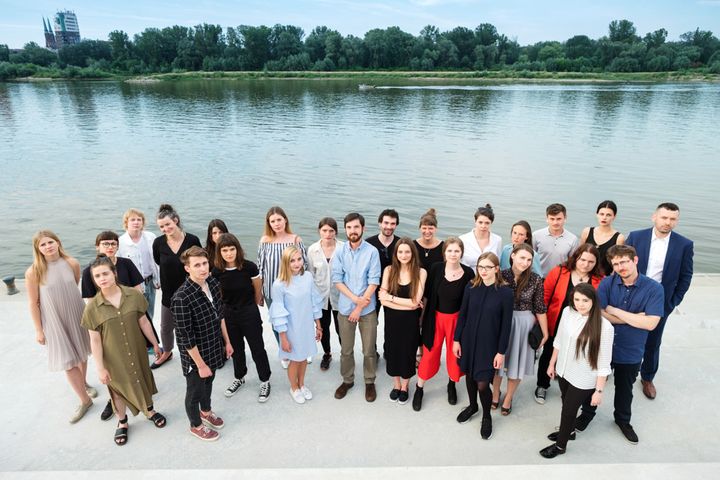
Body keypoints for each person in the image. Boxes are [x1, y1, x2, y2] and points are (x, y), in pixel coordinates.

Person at [575, 245, 663, 444]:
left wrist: (615, 311)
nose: (620, 267)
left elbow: (651, 323)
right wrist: (635, 318)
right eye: (616, 264)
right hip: (602, 346)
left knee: (625, 389)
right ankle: (587, 414)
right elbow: (598, 313)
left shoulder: (654, 289)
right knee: (593, 384)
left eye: (624, 262)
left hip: (631, 348)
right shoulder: (607, 283)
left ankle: (623, 420)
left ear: (635, 260)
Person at [81, 255, 166, 446]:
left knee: (142, 378)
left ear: (114, 273)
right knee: (117, 390)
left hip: (137, 349)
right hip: (113, 357)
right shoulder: (92, 308)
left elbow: (143, 322)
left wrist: (154, 343)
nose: (102, 278)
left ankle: (150, 410)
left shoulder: (134, 295)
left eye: (105, 273)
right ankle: (122, 421)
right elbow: (95, 340)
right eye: (97, 276)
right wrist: (100, 368)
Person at [25, 230, 96, 424]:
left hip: (76, 313)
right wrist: (39, 330)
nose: (48, 246)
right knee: (68, 361)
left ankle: (84, 383)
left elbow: (73, 285)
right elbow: (33, 303)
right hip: (53, 319)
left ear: (58, 242)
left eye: (50, 242)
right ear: (38, 249)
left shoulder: (72, 263)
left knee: (81, 352)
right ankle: (85, 400)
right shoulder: (33, 272)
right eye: (43, 244)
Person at [625, 202, 693, 400]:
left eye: (672, 219)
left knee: (653, 341)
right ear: (654, 217)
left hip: (660, 300)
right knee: (625, 333)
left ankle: (647, 378)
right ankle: (618, 368)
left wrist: (673, 302)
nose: (668, 222)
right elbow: (622, 264)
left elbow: (686, 276)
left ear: (677, 221)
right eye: (664, 217)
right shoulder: (636, 237)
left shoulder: (684, 244)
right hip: (633, 294)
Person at [539, 283, 613, 458]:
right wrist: (551, 364)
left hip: (583, 378)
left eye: (585, 300)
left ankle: (560, 446)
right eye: (577, 299)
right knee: (565, 402)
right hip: (564, 370)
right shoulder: (567, 312)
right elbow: (559, 340)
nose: (580, 304)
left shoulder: (605, 327)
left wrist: (599, 391)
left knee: (568, 411)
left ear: (593, 301)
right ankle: (570, 431)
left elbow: (603, 363)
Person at [81, 231, 145, 422]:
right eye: (105, 243)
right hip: (107, 322)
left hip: (130, 315)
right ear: (97, 247)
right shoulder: (89, 271)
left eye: (113, 243)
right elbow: (90, 300)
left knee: (135, 360)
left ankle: (142, 399)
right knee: (114, 367)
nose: (110, 247)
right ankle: (115, 402)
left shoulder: (126, 264)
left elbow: (138, 289)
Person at [172, 246, 233, 442]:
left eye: (205, 263)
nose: (202, 268)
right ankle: (196, 425)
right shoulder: (181, 298)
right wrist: (200, 365)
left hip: (213, 346)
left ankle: (206, 412)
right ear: (187, 268)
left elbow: (220, 315)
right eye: (197, 265)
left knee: (209, 383)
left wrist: (227, 342)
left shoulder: (213, 283)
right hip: (195, 356)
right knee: (195, 391)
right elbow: (186, 337)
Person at [452, 252, 513, 440]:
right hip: (468, 341)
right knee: (469, 376)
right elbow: (463, 315)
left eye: (488, 267)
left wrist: (501, 352)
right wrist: (456, 340)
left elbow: (506, 326)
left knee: (483, 384)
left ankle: (487, 417)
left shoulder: (505, 292)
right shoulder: (471, 287)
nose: (483, 271)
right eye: (480, 267)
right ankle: (473, 406)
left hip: (489, 345)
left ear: (496, 269)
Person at [535, 243, 603, 405]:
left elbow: (599, 304)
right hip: (556, 321)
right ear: (576, 257)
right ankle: (542, 385)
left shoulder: (599, 280)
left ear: (596, 263)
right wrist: (540, 322)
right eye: (583, 260)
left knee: (574, 356)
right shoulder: (559, 272)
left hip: (583, 327)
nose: (586, 264)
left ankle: (566, 385)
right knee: (549, 353)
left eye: (591, 262)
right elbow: (544, 297)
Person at [414, 237, 474, 411]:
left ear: (461, 253)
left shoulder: (468, 273)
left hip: (457, 320)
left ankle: (451, 384)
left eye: (457, 251)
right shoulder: (436, 268)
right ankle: (419, 388)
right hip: (435, 318)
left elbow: (470, 302)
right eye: (450, 250)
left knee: (454, 356)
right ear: (444, 252)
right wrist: (421, 318)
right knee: (429, 354)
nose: (453, 254)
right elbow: (427, 296)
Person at [212, 233, 272, 403]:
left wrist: (252, 305)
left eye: (232, 249)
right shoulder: (216, 271)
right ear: (219, 252)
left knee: (257, 348)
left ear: (237, 249)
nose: (229, 253)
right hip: (229, 314)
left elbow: (257, 288)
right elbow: (219, 295)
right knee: (236, 349)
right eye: (225, 250)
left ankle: (265, 380)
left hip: (248, 312)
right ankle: (239, 377)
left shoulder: (249, 267)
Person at [492, 243, 548, 415]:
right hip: (501, 322)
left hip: (524, 325)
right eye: (522, 258)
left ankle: (508, 398)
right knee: (497, 363)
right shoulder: (500, 275)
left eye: (529, 260)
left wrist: (545, 333)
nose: (525, 262)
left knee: (518, 364)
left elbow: (540, 307)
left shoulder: (536, 279)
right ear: (513, 255)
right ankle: (495, 394)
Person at [331, 212, 382, 402]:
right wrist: (355, 301)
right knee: (346, 350)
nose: (353, 231)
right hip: (345, 309)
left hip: (367, 310)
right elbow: (337, 280)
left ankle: (369, 381)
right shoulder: (339, 252)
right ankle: (348, 380)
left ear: (363, 228)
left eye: (356, 227)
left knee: (369, 350)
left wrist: (360, 307)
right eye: (349, 227)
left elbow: (374, 281)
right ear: (345, 229)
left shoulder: (372, 252)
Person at [269, 246, 324, 404]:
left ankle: (302, 384)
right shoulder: (279, 284)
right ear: (285, 262)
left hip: (306, 325)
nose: (297, 263)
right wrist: (283, 338)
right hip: (291, 328)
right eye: (292, 260)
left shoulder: (307, 277)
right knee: (295, 359)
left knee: (304, 357)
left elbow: (313, 302)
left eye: (299, 259)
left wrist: (318, 325)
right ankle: (294, 388)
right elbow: (278, 313)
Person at [152, 204, 202, 369]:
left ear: (176, 220)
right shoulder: (158, 243)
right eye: (161, 227)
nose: (165, 229)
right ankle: (167, 352)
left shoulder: (192, 240)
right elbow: (158, 261)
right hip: (169, 294)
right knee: (166, 327)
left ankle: (198, 354)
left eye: (168, 224)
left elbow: (199, 263)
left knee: (193, 325)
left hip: (190, 292)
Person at [257, 206, 308, 363]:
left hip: (293, 290)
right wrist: (259, 292)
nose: (277, 224)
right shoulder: (265, 241)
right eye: (273, 221)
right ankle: (284, 351)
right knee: (277, 322)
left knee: (295, 320)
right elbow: (261, 268)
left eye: (279, 219)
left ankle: (300, 349)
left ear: (285, 220)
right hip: (271, 291)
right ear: (269, 223)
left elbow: (304, 265)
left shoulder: (295, 240)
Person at [378, 238, 427, 404]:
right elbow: (382, 300)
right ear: (396, 253)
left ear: (413, 253)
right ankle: (396, 384)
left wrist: (391, 298)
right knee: (392, 351)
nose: (403, 255)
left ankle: (405, 386)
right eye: (400, 252)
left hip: (410, 322)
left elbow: (415, 301)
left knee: (407, 352)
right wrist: (409, 305)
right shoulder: (389, 270)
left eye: (407, 252)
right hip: (392, 320)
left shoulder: (421, 272)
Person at [307, 217, 345, 371]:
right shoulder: (313, 250)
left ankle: (345, 354)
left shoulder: (343, 248)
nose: (328, 234)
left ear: (336, 232)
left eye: (331, 230)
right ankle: (327, 354)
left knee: (342, 329)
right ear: (319, 231)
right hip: (320, 297)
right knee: (323, 328)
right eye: (324, 230)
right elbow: (310, 274)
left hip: (340, 297)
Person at [118, 208, 160, 322]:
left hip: (150, 282)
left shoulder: (151, 237)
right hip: (132, 286)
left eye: (139, 219)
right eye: (132, 220)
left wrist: (158, 279)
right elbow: (119, 267)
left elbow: (156, 260)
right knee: (136, 317)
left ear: (143, 222)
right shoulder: (121, 242)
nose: (136, 222)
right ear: (126, 223)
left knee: (150, 315)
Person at [579, 200, 625, 276]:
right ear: (597, 214)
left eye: (608, 215)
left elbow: (617, 262)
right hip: (584, 274)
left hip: (604, 277)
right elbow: (579, 255)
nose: (604, 218)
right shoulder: (587, 231)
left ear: (614, 216)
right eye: (601, 214)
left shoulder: (619, 238)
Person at [533, 203, 579, 277]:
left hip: (561, 278)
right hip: (539, 277)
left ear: (565, 218)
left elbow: (573, 263)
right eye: (552, 219)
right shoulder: (536, 235)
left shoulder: (573, 239)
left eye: (559, 219)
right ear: (547, 219)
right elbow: (531, 257)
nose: (555, 222)